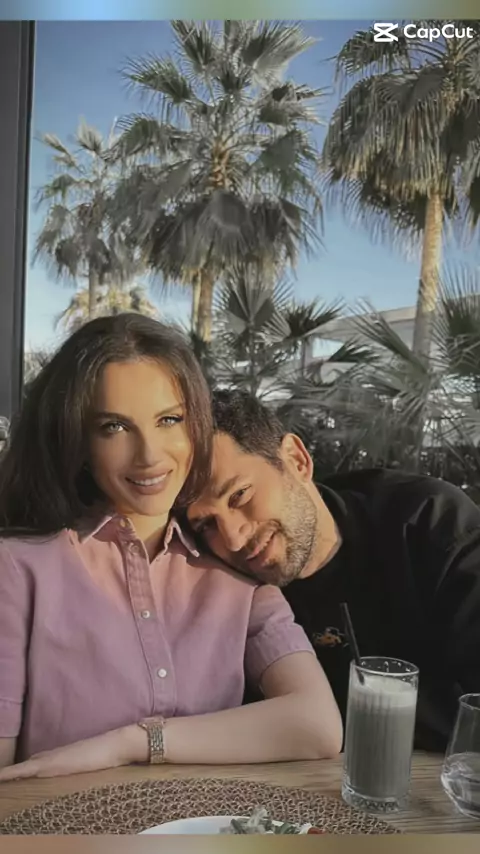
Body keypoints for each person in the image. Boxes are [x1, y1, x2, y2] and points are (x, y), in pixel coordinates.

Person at [0, 316, 342, 781]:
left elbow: (318, 726)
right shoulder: (19, 567)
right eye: (114, 427)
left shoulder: (235, 573)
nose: (149, 456)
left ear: (195, 424)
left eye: (169, 420)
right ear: (78, 441)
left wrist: (130, 743)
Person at [187, 389, 480, 753]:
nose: (232, 538)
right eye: (206, 525)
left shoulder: (432, 525)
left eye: (239, 495)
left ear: (296, 460)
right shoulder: (222, 585)